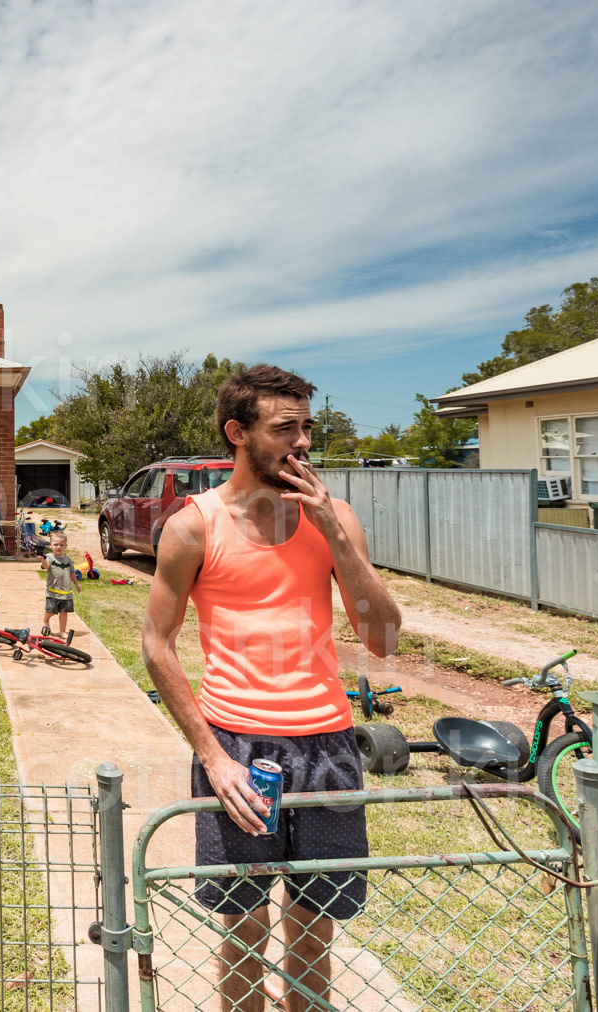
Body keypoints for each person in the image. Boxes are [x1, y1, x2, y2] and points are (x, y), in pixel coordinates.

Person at [141, 364, 401, 1012]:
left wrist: (336, 535)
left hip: (328, 747)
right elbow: (156, 643)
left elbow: (385, 640)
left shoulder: (335, 517)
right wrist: (211, 756)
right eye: (286, 428)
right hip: (238, 748)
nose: (304, 442)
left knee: (315, 931)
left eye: (307, 427)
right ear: (238, 432)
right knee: (246, 931)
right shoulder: (193, 525)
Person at [41, 529, 76, 637]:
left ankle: (62, 631)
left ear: (66, 546)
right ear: (50, 545)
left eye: (61, 545)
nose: (58, 547)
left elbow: (72, 572)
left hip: (66, 592)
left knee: (64, 612)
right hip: (52, 592)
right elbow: (45, 566)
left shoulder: (68, 559)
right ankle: (46, 620)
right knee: (51, 611)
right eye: (55, 544)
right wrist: (43, 560)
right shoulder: (49, 557)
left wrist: (77, 584)